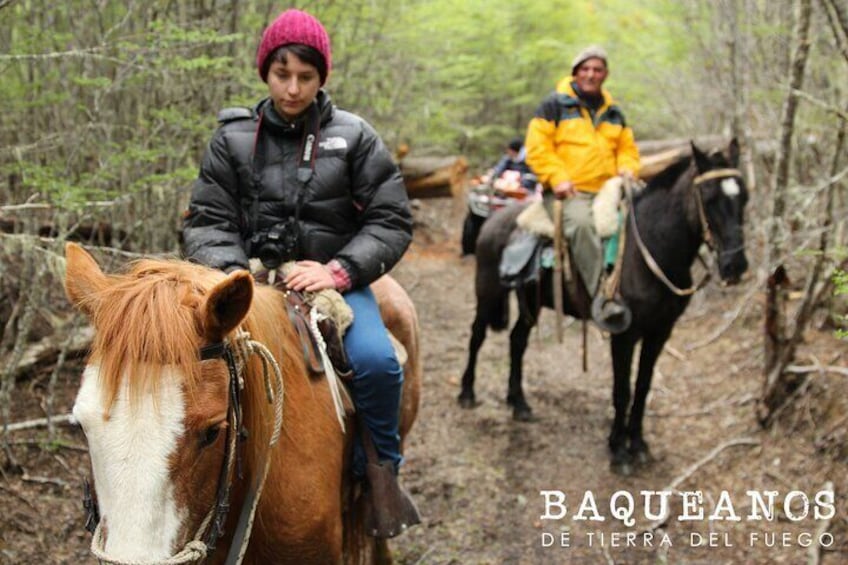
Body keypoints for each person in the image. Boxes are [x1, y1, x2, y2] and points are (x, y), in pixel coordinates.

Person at [181, 8, 416, 534]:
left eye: (305, 77)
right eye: (281, 74)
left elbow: (392, 218)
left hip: (332, 281)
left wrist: (339, 270)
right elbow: (207, 221)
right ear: (265, 71)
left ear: (321, 77)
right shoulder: (232, 139)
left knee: (378, 363)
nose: (292, 89)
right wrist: (235, 274)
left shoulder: (354, 136)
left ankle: (378, 478)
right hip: (249, 282)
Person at [524, 45, 640, 329]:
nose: (591, 74)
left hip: (607, 189)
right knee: (582, 225)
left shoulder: (614, 113)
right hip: (567, 191)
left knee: (641, 217)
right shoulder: (553, 105)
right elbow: (537, 148)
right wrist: (557, 178)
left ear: (605, 74)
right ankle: (604, 297)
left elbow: (627, 150)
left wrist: (628, 168)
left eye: (597, 69)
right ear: (575, 73)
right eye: (586, 69)